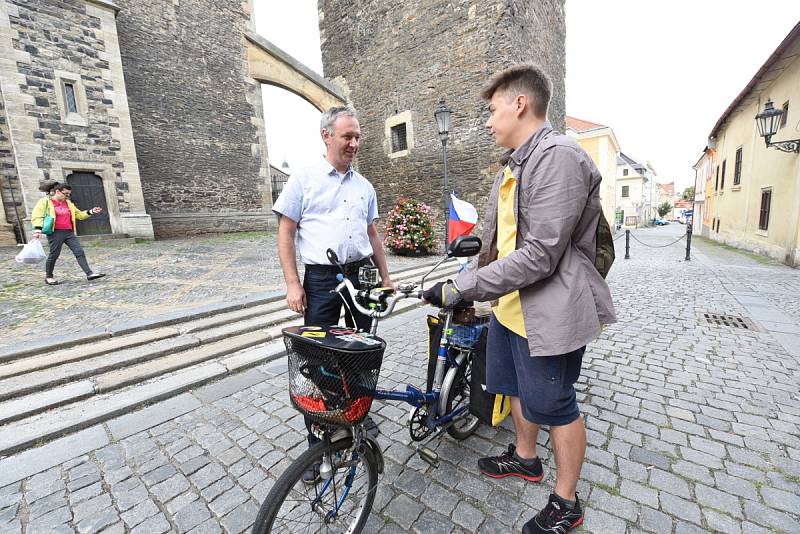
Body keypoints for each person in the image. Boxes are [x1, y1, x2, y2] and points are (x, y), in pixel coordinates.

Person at [423, 65, 616, 534]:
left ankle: (566, 503)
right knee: (513, 389)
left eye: (492, 110)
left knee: (555, 404)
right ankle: (526, 458)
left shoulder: (559, 156)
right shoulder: (512, 166)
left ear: (520, 104)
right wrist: (461, 279)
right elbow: (492, 245)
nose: (488, 122)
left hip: (550, 311)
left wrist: (464, 288)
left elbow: (542, 255)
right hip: (511, 310)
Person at [272, 106, 394, 482]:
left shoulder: (364, 186)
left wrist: (386, 279)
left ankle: (357, 411)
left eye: (357, 136)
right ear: (327, 136)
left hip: (360, 276)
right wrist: (294, 283)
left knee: (362, 350)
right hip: (322, 279)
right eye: (347, 136)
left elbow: (372, 234)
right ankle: (316, 442)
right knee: (316, 357)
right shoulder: (304, 180)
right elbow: (286, 233)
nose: (354, 143)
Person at [30, 181, 106, 285]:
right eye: (65, 194)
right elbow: (37, 215)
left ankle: (89, 274)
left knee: (79, 252)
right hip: (55, 233)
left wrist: (91, 211)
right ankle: (49, 276)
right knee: (54, 255)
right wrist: (37, 230)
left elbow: (79, 215)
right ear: (57, 192)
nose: (67, 196)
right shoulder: (46, 202)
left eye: (69, 194)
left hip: (69, 232)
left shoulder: (69, 203)